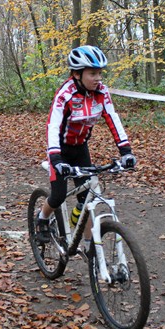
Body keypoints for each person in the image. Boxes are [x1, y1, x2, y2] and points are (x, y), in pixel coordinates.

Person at [34, 45, 137, 254]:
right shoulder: (65, 94)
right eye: (92, 73)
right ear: (76, 74)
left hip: (80, 148)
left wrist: (126, 151)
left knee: (87, 199)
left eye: (100, 73)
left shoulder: (101, 92)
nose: (98, 78)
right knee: (58, 195)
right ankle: (42, 219)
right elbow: (53, 125)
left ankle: (90, 249)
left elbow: (113, 119)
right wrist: (55, 158)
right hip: (60, 150)